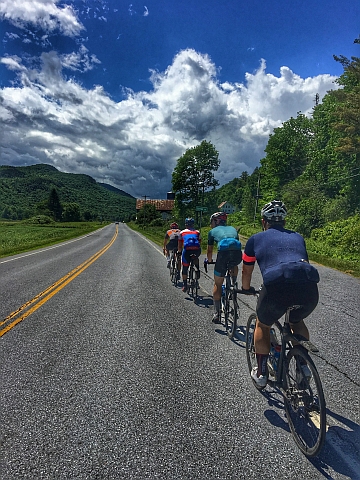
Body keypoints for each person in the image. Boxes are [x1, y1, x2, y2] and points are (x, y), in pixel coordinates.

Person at [241, 200, 320, 388]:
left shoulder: (255, 239)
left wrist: (245, 288)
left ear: (263, 221)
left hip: (277, 286)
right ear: (284, 221)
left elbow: (247, 271)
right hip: (308, 288)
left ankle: (260, 372)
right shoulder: (298, 237)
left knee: (263, 324)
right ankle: (303, 365)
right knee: (297, 321)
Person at [206, 212, 243, 323]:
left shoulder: (212, 232)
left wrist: (210, 260)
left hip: (223, 255)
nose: (211, 224)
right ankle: (234, 284)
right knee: (234, 264)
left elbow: (209, 250)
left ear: (215, 221)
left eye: (212, 221)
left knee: (218, 283)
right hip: (237, 254)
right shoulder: (233, 229)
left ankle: (217, 313)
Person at [178, 218, 202, 292]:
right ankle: (197, 269)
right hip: (196, 250)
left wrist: (179, 252)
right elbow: (200, 242)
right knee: (196, 257)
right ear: (193, 225)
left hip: (187, 251)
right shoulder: (197, 232)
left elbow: (180, 245)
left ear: (186, 225)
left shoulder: (182, 232)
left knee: (185, 268)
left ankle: (185, 285)